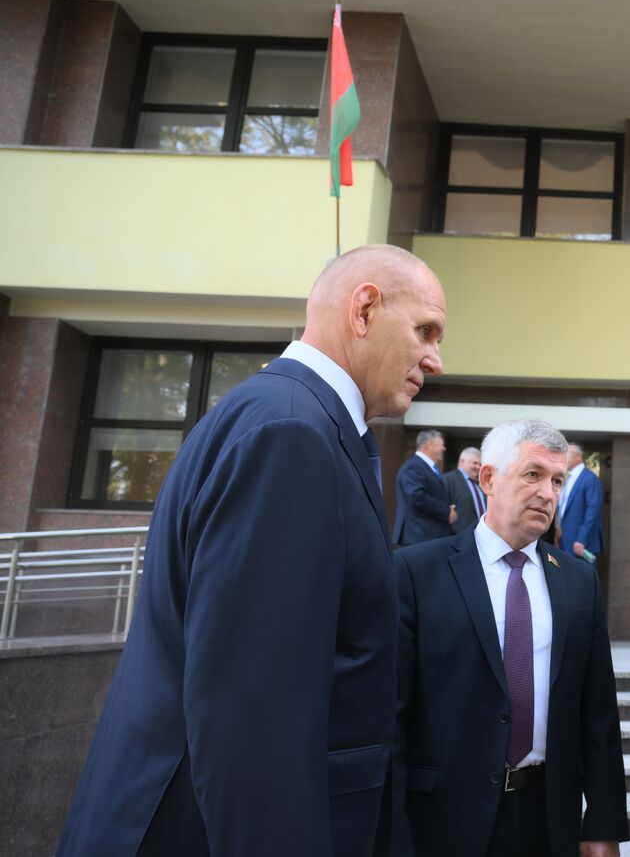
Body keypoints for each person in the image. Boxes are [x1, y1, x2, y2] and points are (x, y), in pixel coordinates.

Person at [57, 244, 446, 857]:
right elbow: (253, 719)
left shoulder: (284, 416)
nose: (436, 359)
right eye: (426, 329)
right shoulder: (292, 434)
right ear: (364, 309)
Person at [391, 419, 629, 857]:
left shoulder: (578, 581)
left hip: (547, 817)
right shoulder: (417, 572)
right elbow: (393, 713)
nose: (548, 493)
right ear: (488, 479)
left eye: (557, 480)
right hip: (441, 821)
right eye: (533, 474)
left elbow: (597, 714)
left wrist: (602, 823)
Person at [393, 429, 456, 546]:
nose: (444, 449)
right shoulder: (413, 467)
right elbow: (417, 497)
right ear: (429, 444)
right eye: (441, 445)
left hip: (427, 537)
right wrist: (447, 511)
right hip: (418, 537)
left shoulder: (427, 467)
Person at [557, 442, 605, 564]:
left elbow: (592, 512)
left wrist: (581, 540)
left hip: (580, 543)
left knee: (583, 581)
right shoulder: (568, 478)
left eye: (566, 455)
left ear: (578, 457)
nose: (563, 459)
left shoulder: (590, 479)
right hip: (566, 540)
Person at [446, 446, 487, 534]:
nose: (478, 467)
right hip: (457, 537)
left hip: (479, 536)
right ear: (462, 461)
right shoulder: (448, 479)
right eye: (475, 463)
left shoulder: (480, 484)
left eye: (480, 464)